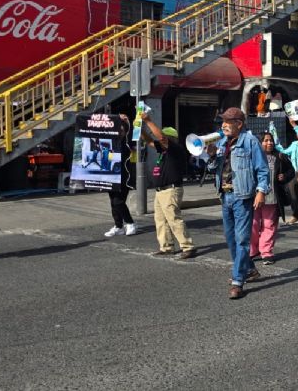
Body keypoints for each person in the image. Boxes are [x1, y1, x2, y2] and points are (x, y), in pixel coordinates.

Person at [208, 107, 271, 300]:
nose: (223, 125)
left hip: (242, 196)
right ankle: (249, 270)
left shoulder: (250, 141)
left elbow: (263, 170)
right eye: (223, 121)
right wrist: (211, 155)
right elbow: (214, 169)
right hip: (225, 196)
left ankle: (238, 281)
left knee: (242, 239)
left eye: (227, 121)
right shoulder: (223, 143)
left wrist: (261, 192)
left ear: (239, 124)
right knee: (230, 239)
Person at [140, 112, 196, 260]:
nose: (160, 139)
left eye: (164, 136)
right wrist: (140, 129)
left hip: (171, 189)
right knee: (160, 220)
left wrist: (148, 121)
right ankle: (166, 246)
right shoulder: (163, 151)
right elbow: (149, 141)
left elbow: (160, 138)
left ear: (170, 138)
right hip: (161, 191)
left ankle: (187, 246)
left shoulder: (175, 149)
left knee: (173, 219)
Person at [253, 131, 294, 265]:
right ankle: (252, 251)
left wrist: (284, 177)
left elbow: (291, 171)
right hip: (254, 197)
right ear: (259, 143)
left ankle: (266, 252)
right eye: (265, 140)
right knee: (252, 225)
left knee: (269, 225)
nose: (269, 143)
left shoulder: (280, 156)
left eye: (270, 140)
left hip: (272, 198)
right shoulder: (252, 156)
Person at [272, 117, 298, 225]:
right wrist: (274, 134)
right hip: (295, 174)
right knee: (292, 197)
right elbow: (284, 150)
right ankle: (296, 216)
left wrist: (294, 125)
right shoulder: (295, 144)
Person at [104, 114, 137, 238]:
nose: (120, 131)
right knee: (113, 201)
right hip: (110, 176)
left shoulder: (127, 142)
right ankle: (118, 226)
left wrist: (127, 121)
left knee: (118, 201)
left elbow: (133, 133)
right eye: (118, 129)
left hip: (125, 176)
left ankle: (130, 223)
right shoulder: (111, 141)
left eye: (122, 129)